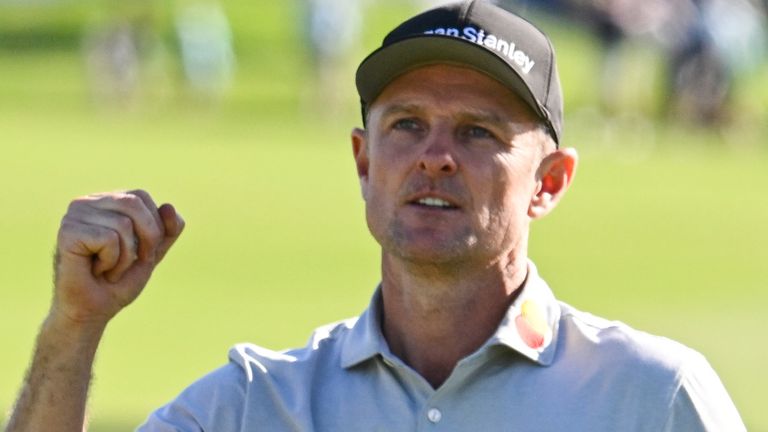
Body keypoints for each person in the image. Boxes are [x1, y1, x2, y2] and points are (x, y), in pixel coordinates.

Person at [5, 1, 746, 431]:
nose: (435, 157)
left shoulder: (653, 396)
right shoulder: (259, 403)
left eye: (478, 132)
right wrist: (74, 328)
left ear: (549, 182)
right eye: (407, 125)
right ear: (364, 162)